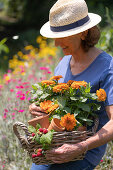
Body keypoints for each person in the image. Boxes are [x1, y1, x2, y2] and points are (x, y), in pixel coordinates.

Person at [29, 0, 113, 169]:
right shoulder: (63, 63)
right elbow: (57, 108)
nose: (56, 44)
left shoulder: (107, 67)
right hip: (54, 145)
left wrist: (81, 146)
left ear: (84, 33)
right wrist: (38, 107)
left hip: (82, 153)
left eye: (63, 36)